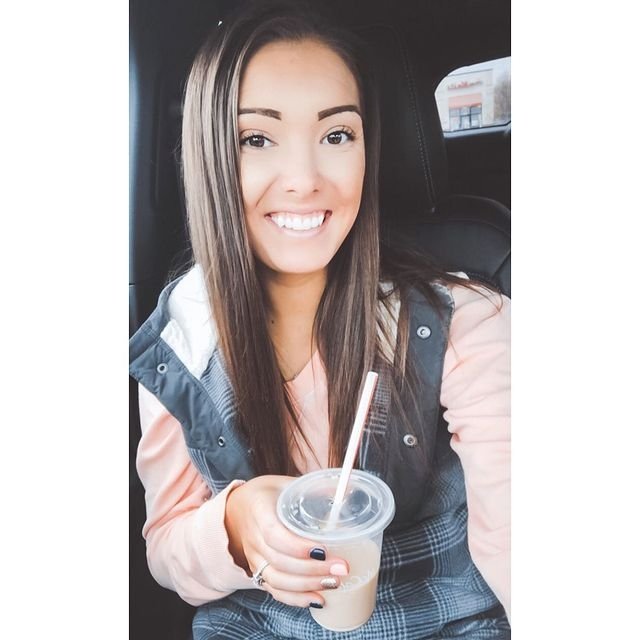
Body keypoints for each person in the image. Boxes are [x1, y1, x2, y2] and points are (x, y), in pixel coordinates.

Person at [129, 1, 511, 638]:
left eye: (336, 135)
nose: (304, 181)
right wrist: (234, 525)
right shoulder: (181, 346)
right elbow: (167, 552)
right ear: (210, 157)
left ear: (367, 152)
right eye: (256, 139)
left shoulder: (465, 321)